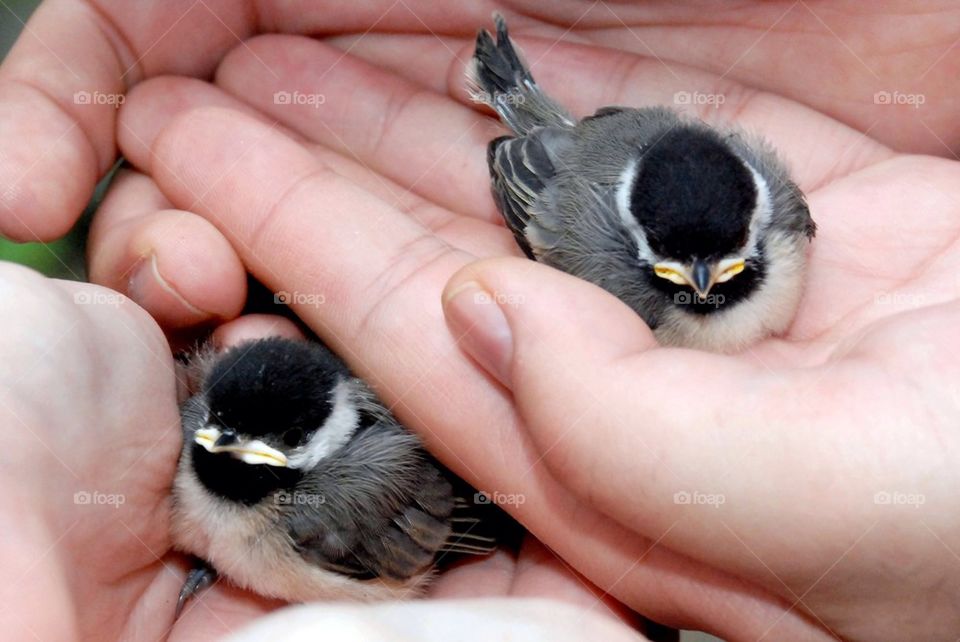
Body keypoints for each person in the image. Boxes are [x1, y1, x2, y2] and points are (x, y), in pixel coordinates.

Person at [1, 2, 959, 640]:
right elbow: (533, 177)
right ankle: (509, 88)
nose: (702, 288)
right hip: (564, 150)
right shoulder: (594, 253)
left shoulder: (781, 214)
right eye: (677, 271)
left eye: (729, 268)